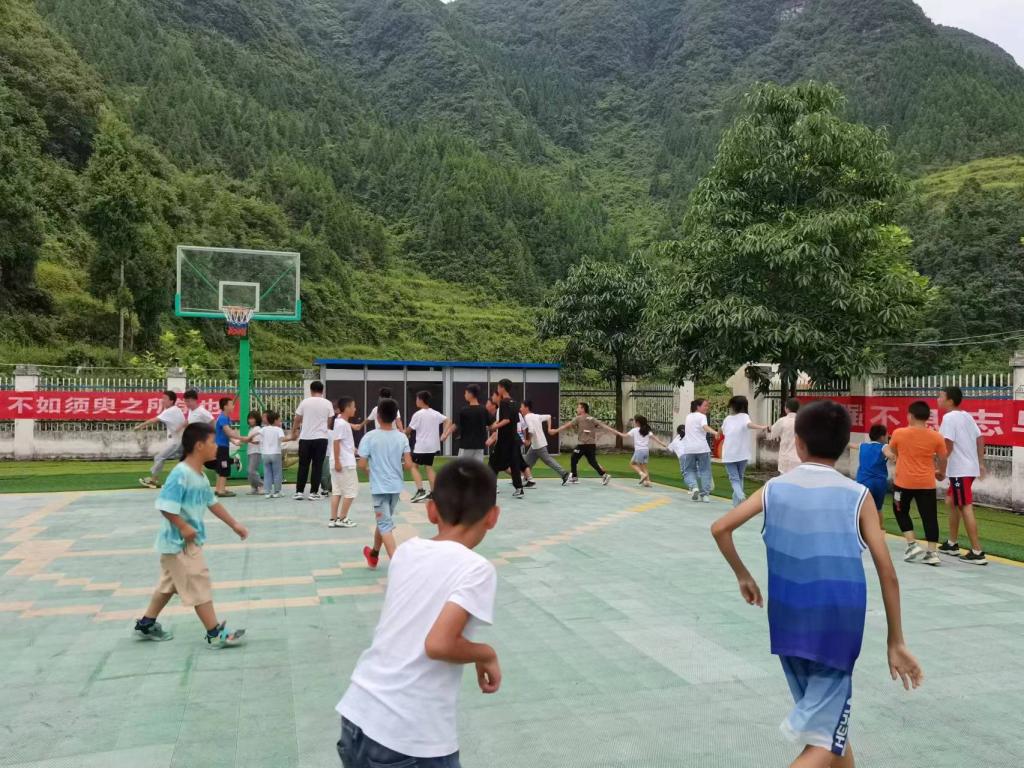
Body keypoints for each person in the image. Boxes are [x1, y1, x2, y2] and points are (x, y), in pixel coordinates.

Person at [711, 400, 922, 768]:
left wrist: (744, 576)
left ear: (799, 442)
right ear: (843, 447)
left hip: (787, 623)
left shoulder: (774, 489)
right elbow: (887, 571)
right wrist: (896, 640)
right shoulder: (857, 495)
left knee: (827, 729)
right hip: (836, 631)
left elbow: (720, 528)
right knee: (825, 740)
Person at [335, 458, 500, 768]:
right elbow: (438, 644)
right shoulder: (477, 569)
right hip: (409, 737)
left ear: (431, 510)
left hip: (358, 713)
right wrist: (486, 654)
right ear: (492, 517)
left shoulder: (406, 551)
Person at [132, 422, 249, 647]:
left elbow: (212, 503)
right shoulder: (180, 474)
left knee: (168, 585)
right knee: (198, 581)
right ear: (199, 446)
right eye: (213, 442)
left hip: (180, 543)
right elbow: (165, 505)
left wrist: (234, 524)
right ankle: (214, 633)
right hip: (180, 543)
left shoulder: (201, 476)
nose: (216, 446)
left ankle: (146, 624)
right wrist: (183, 526)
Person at [883, 401, 948, 566]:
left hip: (903, 483)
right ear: (927, 417)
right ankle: (932, 552)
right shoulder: (936, 436)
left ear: (910, 416)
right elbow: (943, 457)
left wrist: (896, 456)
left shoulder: (899, 433)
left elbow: (892, 451)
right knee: (929, 516)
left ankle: (912, 544)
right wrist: (941, 472)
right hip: (926, 483)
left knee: (900, 511)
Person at [356, 398, 413, 568]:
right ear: (395, 417)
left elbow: (361, 464)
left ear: (378, 416)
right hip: (396, 487)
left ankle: (398, 565)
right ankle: (374, 553)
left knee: (384, 524)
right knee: (384, 521)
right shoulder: (402, 437)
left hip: (379, 488)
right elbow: (408, 464)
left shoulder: (370, 437)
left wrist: (371, 472)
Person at [937, 386, 987, 564]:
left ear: (950, 401)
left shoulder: (949, 418)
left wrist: (941, 469)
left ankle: (977, 551)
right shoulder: (966, 416)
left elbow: (947, 446)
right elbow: (979, 438)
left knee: (964, 506)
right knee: (951, 501)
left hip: (960, 471)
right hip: (967, 469)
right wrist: (980, 462)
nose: (938, 399)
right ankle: (952, 543)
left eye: (940, 396)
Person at [720, 395, 769, 507]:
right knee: (739, 477)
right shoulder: (745, 416)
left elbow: (721, 430)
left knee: (734, 478)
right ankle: (737, 504)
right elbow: (749, 425)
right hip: (743, 453)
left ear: (733, 406)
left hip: (729, 454)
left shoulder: (728, 419)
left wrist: (717, 433)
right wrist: (762, 427)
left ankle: (741, 496)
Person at [290, 380, 335, 500]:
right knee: (317, 466)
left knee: (303, 465)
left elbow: (297, 418)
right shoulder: (328, 403)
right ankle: (313, 492)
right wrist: (323, 429)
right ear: (322, 390)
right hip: (321, 438)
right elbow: (330, 420)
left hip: (305, 438)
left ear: (311, 390)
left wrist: (293, 431)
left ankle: (299, 492)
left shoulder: (305, 402)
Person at [549, 402, 611, 486]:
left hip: (583, 445)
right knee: (592, 462)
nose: (577, 409)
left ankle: (574, 477)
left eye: (578, 407)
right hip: (591, 444)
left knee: (574, 458)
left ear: (583, 409)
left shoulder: (578, 418)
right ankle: (604, 475)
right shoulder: (592, 418)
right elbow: (600, 426)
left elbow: (567, 425)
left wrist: (555, 431)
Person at [406, 391, 451, 504]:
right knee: (428, 467)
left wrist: (404, 434)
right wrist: (444, 434)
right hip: (433, 446)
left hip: (422, 446)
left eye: (417, 399)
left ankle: (420, 491)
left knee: (413, 466)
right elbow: (448, 420)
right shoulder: (435, 413)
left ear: (421, 400)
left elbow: (409, 430)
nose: (416, 401)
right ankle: (434, 493)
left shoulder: (418, 414)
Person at [137, 390, 186, 488]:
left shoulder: (170, 411)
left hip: (177, 442)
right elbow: (180, 424)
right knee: (184, 461)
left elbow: (154, 420)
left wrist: (140, 426)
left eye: (165, 399)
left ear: (171, 401)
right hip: (183, 440)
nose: (162, 400)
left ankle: (153, 481)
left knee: (159, 457)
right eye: (162, 398)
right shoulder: (176, 409)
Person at [603, 415, 667, 487]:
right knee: (644, 466)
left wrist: (616, 432)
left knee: (632, 464)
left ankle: (642, 474)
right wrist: (662, 444)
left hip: (639, 451)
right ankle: (648, 482)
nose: (634, 422)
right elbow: (655, 438)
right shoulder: (647, 430)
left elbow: (624, 436)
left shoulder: (635, 430)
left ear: (638, 422)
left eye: (635, 421)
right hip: (646, 451)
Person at [519, 400, 570, 485]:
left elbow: (531, 430)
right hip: (535, 445)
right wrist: (549, 429)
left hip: (539, 445)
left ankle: (564, 474)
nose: (520, 409)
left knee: (548, 461)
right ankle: (526, 479)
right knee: (527, 462)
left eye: (521, 407)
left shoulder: (527, 417)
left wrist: (528, 440)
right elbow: (549, 416)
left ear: (526, 408)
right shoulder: (536, 416)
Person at [329, 397, 360, 528]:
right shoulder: (342, 424)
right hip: (344, 463)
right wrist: (338, 461)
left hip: (340, 461)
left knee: (337, 491)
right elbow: (336, 442)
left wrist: (354, 449)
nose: (355, 409)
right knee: (351, 491)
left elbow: (343, 442)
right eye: (353, 406)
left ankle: (333, 519)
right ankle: (342, 518)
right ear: (347, 408)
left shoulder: (339, 421)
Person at [682, 399, 718, 502]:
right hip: (702, 448)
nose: (707, 408)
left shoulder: (688, 416)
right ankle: (705, 495)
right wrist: (715, 432)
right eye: (705, 406)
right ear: (698, 407)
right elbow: (704, 427)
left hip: (689, 449)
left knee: (688, 471)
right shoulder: (702, 416)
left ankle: (694, 487)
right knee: (705, 471)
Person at [855, 425, 890, 528]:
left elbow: (850, 445)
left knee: (860, 509)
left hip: (863, 483)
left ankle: (859, 531)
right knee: (878, 509)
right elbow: (891, 455)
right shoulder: (884, 447)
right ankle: (879, 532)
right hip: (879, 483)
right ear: (882, 437)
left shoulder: (862, 446)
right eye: (887, 434)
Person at [446, 384, 489, 462]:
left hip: (466, 445)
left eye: (465, 393)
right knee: (477, 467)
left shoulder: (464, 410)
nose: (464, 395)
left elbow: (455, 425)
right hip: (479, 445)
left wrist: (445, 434)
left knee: (462, 466)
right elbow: (492, 425)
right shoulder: (483, 410)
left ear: (470, 394)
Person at [208, 397, 238, 498]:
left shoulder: (226, 418)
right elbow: (228, 431)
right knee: (224, 468)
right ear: (225, 406)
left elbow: (226, 434)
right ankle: (221, 490)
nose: (233, 406)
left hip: (223, 447)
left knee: (221, 467)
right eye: (231, 404)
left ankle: (219, 489)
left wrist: (234, 441)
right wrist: (241, 438)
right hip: (221, 448)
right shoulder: (223, 418)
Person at [770, 398, 801, 474]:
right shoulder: (803, 421)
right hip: (799, 458)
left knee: (784, 479)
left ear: (786, 409)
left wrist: (767, 429)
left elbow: (772, 434)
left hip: (785, 458)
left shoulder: (782, 421)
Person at [235, 410, 263, 495]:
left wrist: (245, 440)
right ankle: (254, 487)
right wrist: (245, 441)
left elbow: (257, 441)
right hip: (251, 452)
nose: (250, 420)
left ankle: (261, 485)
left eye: (252, 418)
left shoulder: (258, 429)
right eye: (249, 418)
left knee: (251, 470)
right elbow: (249, 440)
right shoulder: (251, 429)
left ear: (257, 419)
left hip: (256, 452)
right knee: (250, 471)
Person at [261, 411, 285, 498]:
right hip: (276, 453)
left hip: (265, 454)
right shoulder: (279, 430)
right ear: (275, 420)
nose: (280, 422)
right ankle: (277, 491)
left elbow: (257, 435)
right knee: (277, 473)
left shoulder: (263, 429)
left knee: (267, 473)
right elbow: (282, 439)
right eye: (279, 420)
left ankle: (267, 492)